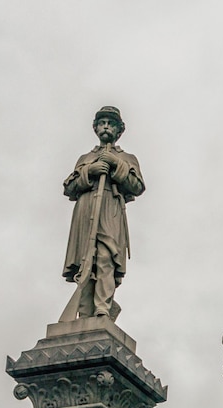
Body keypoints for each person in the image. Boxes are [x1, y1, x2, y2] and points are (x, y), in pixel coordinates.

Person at [61, 106, 145, 319]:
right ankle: (85, 312)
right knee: (85, 261)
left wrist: (116, 164)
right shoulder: (85, 157)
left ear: (119, 130)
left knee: (106, 257)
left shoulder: (127, 157)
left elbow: (137, 186)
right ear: (96, 128)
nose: (106, 127)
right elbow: (69, 188)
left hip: (110, 208)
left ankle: (102, 308)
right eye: (102, 123)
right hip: (86, 208)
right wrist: (89, 171)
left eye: (111, 124)